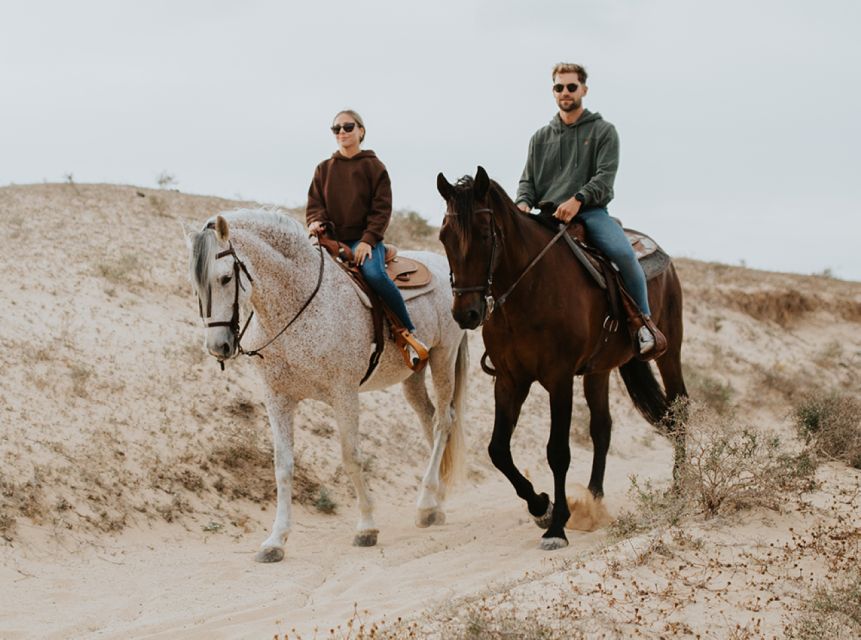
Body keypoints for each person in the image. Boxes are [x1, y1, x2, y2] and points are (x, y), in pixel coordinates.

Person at [515, 62, 658, 354]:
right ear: (553, 91)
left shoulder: (604, 131)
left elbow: (605, 177)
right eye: (559, 87)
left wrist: (578, 199)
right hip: (546, 216)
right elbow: (527, 180)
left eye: (571, 87)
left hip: (590, 212)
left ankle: (643, 324)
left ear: (584, 90)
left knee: (623, 255)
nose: (565, 92)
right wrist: (522, 202)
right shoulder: (540, 137)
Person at [306, 109, 428, 367]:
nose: (341, 133)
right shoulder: (323, 169)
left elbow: (381, 209)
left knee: (374, 275)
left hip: (364, 241)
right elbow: (315, 204)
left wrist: (368, 240)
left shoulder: (375, 167)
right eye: (336, 129)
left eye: (348, 127)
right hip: (332, 241)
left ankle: (407, 332)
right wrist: (316, 221)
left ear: (361, 131)